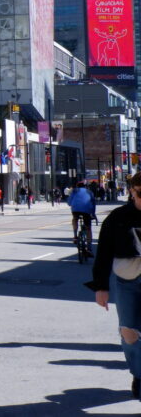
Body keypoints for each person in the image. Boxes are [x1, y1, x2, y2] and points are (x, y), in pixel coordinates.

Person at [88, 172, 141, 401]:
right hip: (127, 280)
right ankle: (139, 375)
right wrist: (101, 287)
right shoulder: (118, 217)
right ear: (131, 191)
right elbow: (104, 253)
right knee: (128, 332)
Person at [69, 181, 98, 254]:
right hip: (87, 210)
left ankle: (75, 236)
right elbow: (93, 203)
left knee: (75, 219)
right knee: (88, 228)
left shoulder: (74, 191)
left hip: (75, 210)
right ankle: (89, 248)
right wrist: (93, 214)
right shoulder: (89, 192)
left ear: (77, 186)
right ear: (85, 186)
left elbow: (69, 202)